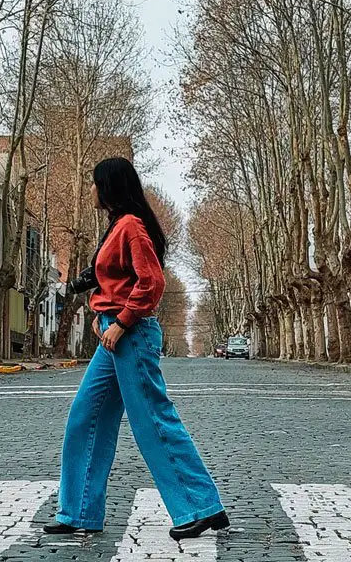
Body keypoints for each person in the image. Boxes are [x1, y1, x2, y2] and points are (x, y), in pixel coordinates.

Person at [45, 157, 229, 541]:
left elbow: (153, 281)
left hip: (132, 336)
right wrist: (102, 312)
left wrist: (123, 320)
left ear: (109, 186)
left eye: (94, 184)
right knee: (85, 418)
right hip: (113, 333)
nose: (90, 190)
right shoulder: (117, 227)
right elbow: (114, 279)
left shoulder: (131, 226)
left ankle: (201, 507)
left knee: (153, 421)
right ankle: (79, 511)